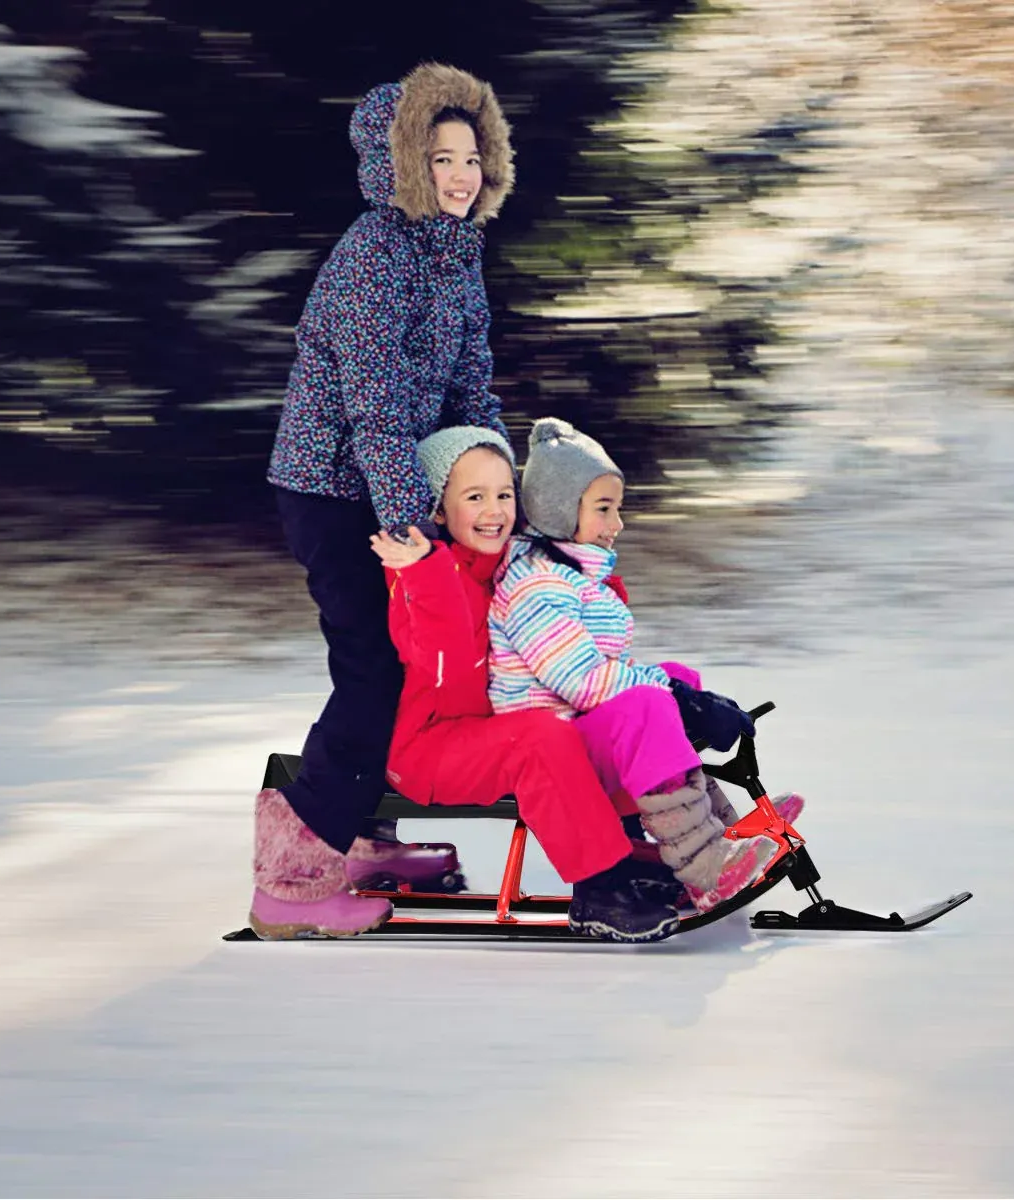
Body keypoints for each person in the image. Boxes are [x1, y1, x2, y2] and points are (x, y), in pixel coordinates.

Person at [249, 64, 516, 940]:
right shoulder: (373, 254)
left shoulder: (456, 257)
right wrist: (408, 519)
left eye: (471, 158)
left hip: (393, 483)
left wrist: (495, 488)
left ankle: (367, 839)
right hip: (331, 488)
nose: (460, 175)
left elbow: (471, 388)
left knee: (415, 659)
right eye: (440, 158)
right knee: (375, 668)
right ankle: (292, 875)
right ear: (402, 164)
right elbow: (373, 403)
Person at [368, 425, 684, 943]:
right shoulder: (414, 575)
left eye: (504, 495)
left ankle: (636, 846)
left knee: (618, 709)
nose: (494, 511)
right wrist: (428, 572)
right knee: (542, 737)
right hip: (429, 747)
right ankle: (600, 888)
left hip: (488, 729)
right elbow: (447, 662)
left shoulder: (513, 562)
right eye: (475, 497)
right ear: (439, 511)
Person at [489, 417, 805, 913]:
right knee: (652, 705)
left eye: (617, 508)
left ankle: (718, 834)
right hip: (549, 747)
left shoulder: (568, 575)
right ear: (559, 509)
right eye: (603, 509)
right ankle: (704, 865)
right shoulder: (536, 587)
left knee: (677, 678)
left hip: (575, 725)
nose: (617, 524)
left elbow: (605, 674)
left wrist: (685, 693)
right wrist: (680, 701)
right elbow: (581, 681)